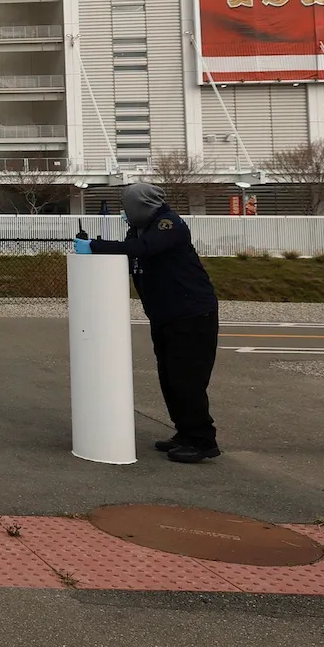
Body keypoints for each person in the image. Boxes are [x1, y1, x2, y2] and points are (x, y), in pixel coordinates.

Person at [82, 181, 222, 464]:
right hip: (165, 315)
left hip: (192, 314)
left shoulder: (168, 225)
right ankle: (184, 432)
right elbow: (133, 249)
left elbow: (142, 249)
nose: (125, 212)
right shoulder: (139, 228)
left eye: (127, 206)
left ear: (142, 205)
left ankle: (201, 440)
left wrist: (95, 246)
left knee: (187, 379)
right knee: (169, 378)